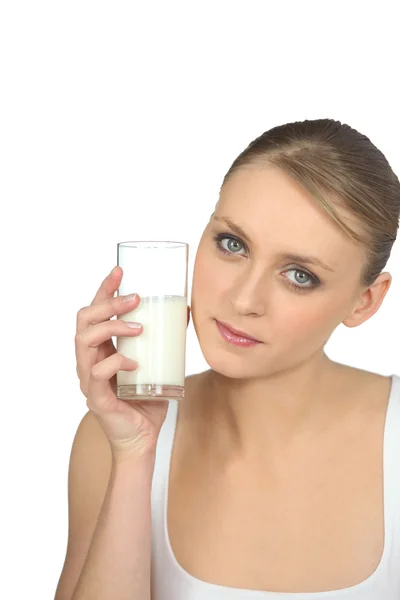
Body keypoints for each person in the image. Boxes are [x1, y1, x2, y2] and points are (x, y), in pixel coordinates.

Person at [54, 118, 400, 600]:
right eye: (233, 244)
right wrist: (134, 457)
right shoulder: (109, 437)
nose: (243, 299)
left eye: (299, 275)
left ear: (364, 302)